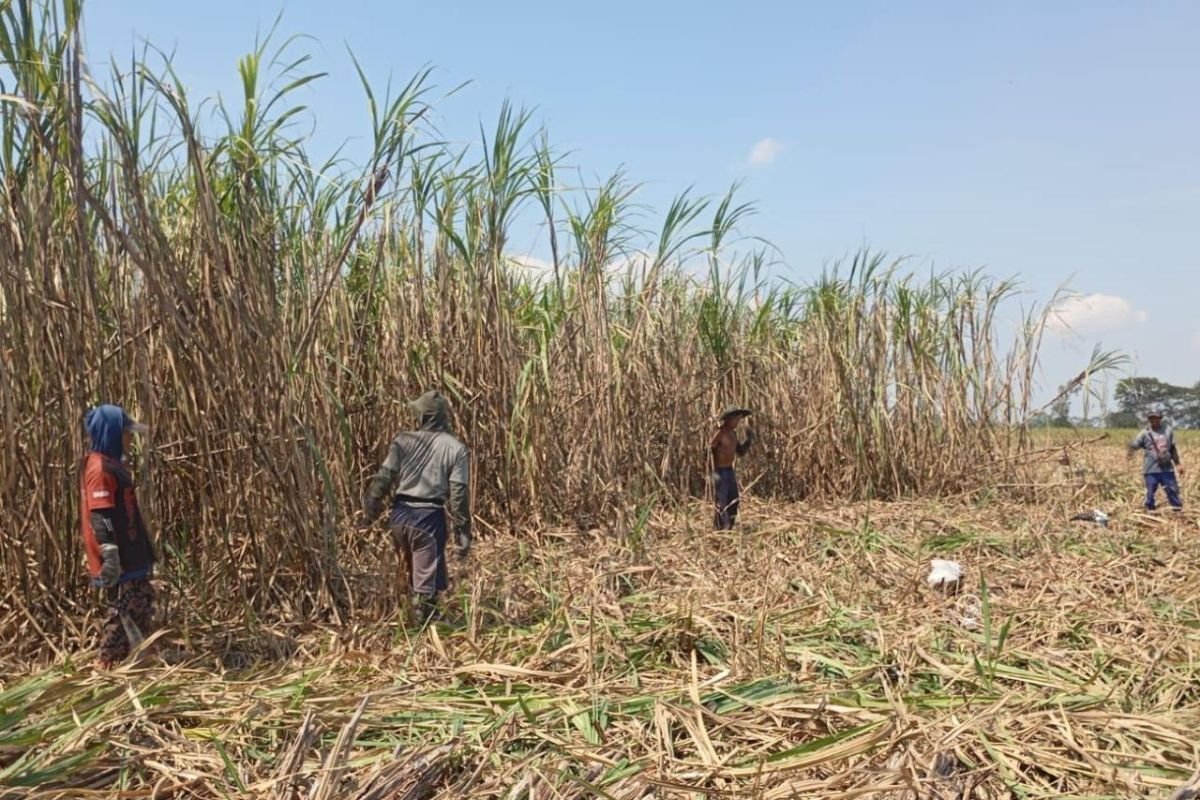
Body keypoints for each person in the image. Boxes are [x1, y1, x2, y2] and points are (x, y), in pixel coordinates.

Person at [361, 390, 471, 624]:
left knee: (415, 570)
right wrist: (463, 531)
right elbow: (459, 494)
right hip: (427, 519)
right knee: (425, 585)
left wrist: (371, 503)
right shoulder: (455, 448)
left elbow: (385, 477)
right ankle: (423, 626)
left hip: (400, 516)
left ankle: (411, 614)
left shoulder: (403, 441)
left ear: (423, 417)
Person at [80, 404, 157, 668]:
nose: (129, 439)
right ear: (111, 434)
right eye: (125, 433)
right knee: (123, 609)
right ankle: (106, 663)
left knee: (140, 600)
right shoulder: (100, 469)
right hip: (119, 557)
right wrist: (110, 553)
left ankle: (138, 658)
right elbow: (100, 514)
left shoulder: (111, 464)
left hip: (131, 552)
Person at [1128, 409, 1183, 512]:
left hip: (1167, 469)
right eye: (1152, 418)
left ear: (1160, 419)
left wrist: (1178, 464)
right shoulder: (1144, 433)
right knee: (1150, 493)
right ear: (1149, 420)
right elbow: (1135, 445)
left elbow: (1172, 448)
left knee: (1172, 490)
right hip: (1150, 469)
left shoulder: (1167, 431)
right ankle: (1150, 511)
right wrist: (1130, 454)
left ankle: (1177, 511)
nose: (1154, 420)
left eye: (1156, 418)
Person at [710, 406, 754, 530]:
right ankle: (720, 527)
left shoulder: (733, 434)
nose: (737, 423)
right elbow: (709, 451)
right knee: (721, 501)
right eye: (736, 419)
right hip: (720, 471)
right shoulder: (720, 434)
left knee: (734, 499)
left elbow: (740, 452)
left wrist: (748, 440)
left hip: (729, 471)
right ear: (728, 419)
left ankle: (729, 526)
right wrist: (712, 472)